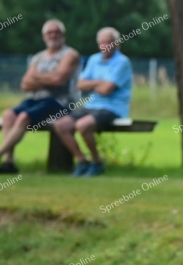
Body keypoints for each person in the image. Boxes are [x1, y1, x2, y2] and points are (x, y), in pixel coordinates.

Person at [0, 19, 79, 173]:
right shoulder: (38, 57)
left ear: (63, 35)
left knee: (23, 117)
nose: (53, 35)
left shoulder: (70, 55)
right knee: (8, 114)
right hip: (37, 100)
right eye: (50, 32)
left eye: (57, 32)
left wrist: (37, 77)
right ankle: (9, 162)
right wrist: (48, 78)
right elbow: (25, 85)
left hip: (60, 103)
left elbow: (59, 80)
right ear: (44, 37)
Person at [53, 27, 132, 177]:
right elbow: (80, 84)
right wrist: (100, 83)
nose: (105, 46)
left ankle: (97, 162)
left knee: (82, 125)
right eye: (103, 42)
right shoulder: (94, 59)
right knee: (61, 125)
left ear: (117, 44)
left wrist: (93, 84)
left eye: (109, 42)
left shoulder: (122, 62)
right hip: (91, 105)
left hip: (112, 107)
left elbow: (106, 90)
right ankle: (82, 161)